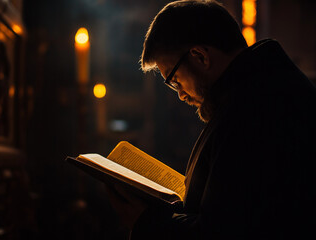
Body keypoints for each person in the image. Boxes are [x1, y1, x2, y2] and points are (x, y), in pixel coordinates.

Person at [107, 0, 316, 239]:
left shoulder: (253, 111)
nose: (181, 95)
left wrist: (146, 222)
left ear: (200, 57)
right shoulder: (262, 89)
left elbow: (225, 231)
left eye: (175, 81)